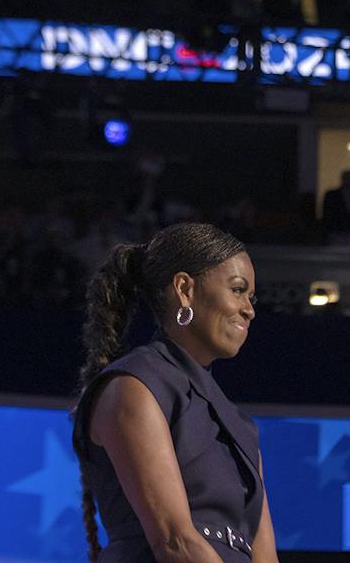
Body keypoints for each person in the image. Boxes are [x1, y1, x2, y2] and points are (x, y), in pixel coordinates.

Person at [71, 223, 277, 563]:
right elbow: (174, 542)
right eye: (238, 290)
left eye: (251, 297)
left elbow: (265, 554)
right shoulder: (133, 387)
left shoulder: (242, 426)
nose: (249, 309)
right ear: (185, 289)